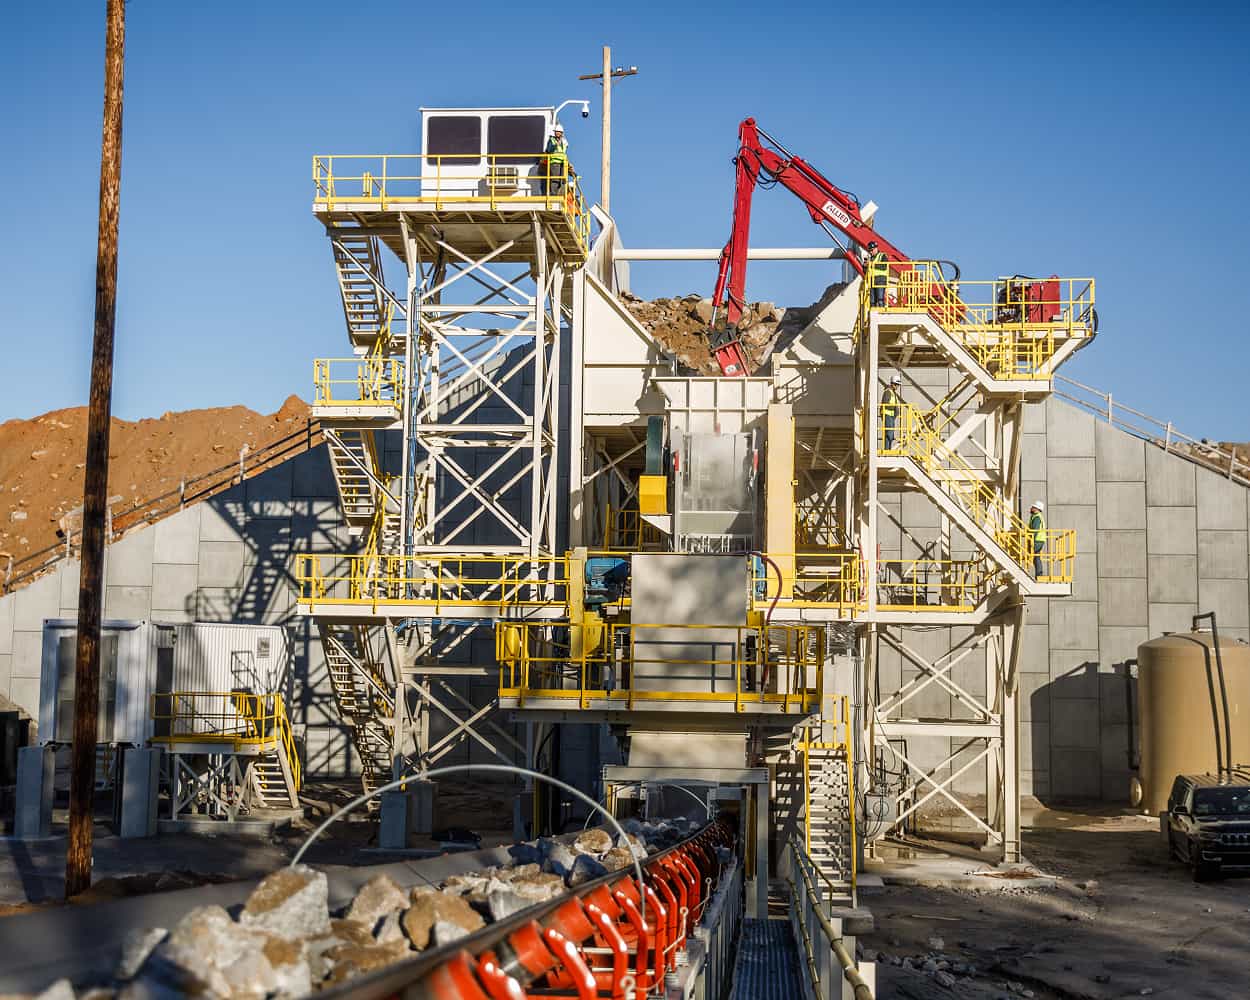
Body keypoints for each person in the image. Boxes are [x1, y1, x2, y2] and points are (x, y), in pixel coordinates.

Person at [543, 123, 568, 196]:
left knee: (563, 180)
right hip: (554, 162)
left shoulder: (564, 141)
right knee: (555, 180)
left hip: (563, 163)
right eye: (556, 132)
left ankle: (561, 194)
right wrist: (555, 145)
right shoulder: (552, 140)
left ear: (561, 133)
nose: (557, 133)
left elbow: (564, 150)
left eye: (559, 132)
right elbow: (548, 150)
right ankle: (553, 194)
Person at [866, 241, 889, 308]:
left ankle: (881, 315)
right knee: (872, 302)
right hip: (872, 281)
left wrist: (871, 264)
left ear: (876, 248)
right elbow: (866, 271)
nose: (870, 252)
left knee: (880, 300)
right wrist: (865, 265)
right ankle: (873, 315)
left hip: (880, 280)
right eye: (869, 251)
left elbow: (884, 266)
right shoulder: (870, 259)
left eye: (872, 250)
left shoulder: (882, 256)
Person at [882, 375, 902, 451]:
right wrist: (894, 408)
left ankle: (888, 449)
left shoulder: (893, 393)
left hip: (891, 416)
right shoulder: (888, 392)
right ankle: (887, 450)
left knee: (891, 435)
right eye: (897, 385)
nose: (898, 387)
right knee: (889, 434)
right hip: (888, 415)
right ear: (893, 384)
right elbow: (885, 404)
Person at [1029, 501, 1047, 577]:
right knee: (1036, 557)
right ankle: (1039, 574)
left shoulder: (1037, 517)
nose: (1031, 508)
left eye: (1033, 507)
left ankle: (1039, 574)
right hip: (1039, 539)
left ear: (1037, 509)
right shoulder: (1036, 516)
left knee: (1036, 557)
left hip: (1037, 539)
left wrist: (1032, 540)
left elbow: (1035, 530)